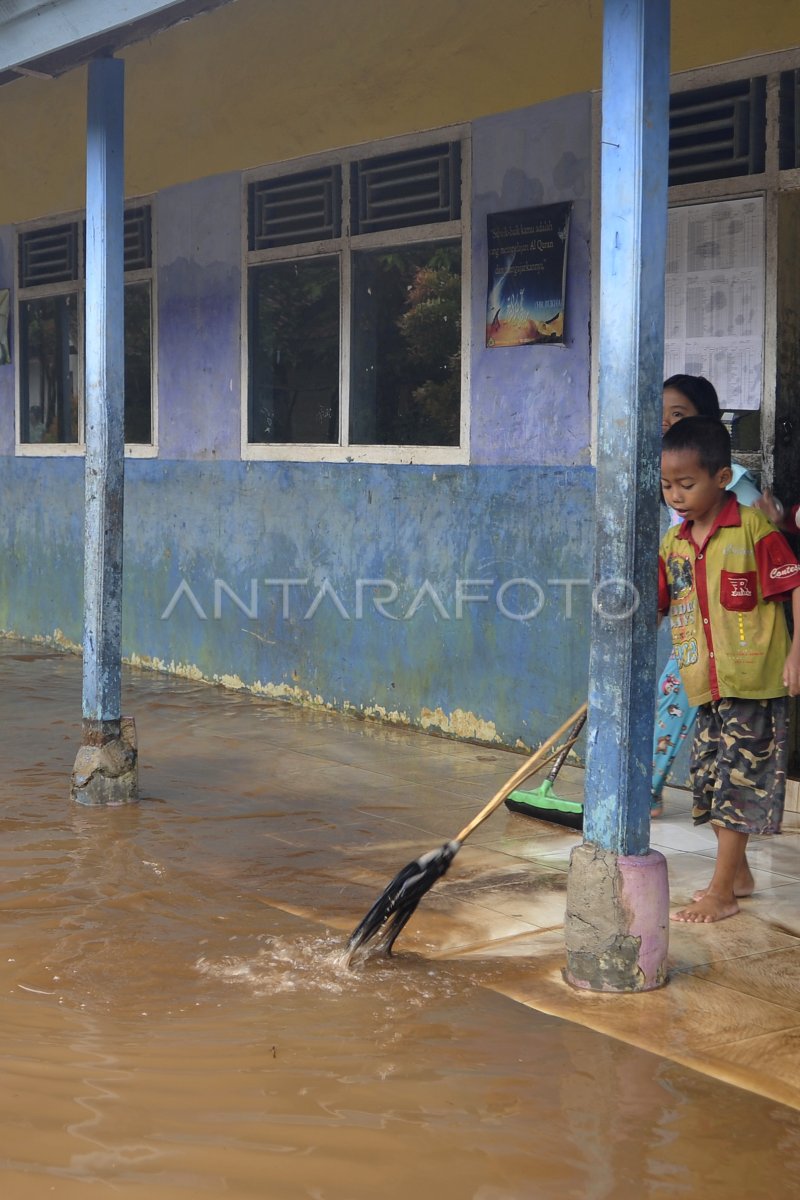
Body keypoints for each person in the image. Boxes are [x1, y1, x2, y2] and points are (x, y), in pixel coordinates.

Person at [658, 416, 800, 923]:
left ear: (721, 478)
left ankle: (721, 891)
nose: (675, 495)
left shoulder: (754, 528)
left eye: (687, 484)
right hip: (705, 685)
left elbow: (793, 586)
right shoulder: (673, 545)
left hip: (753, 681)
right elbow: (660, 600)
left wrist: (795, 652)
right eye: (667, 486)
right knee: (711, 779)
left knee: (740, 782)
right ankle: (737, 874)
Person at [652, 375, 763, 816]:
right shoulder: (673, 474)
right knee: (679, 699)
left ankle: (646, 789)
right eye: (660, 417)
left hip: (726, 626)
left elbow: (761, 553)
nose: (666, 425)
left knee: (675, 695)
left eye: (678, 416)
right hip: (690, 615)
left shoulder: (736, 488)